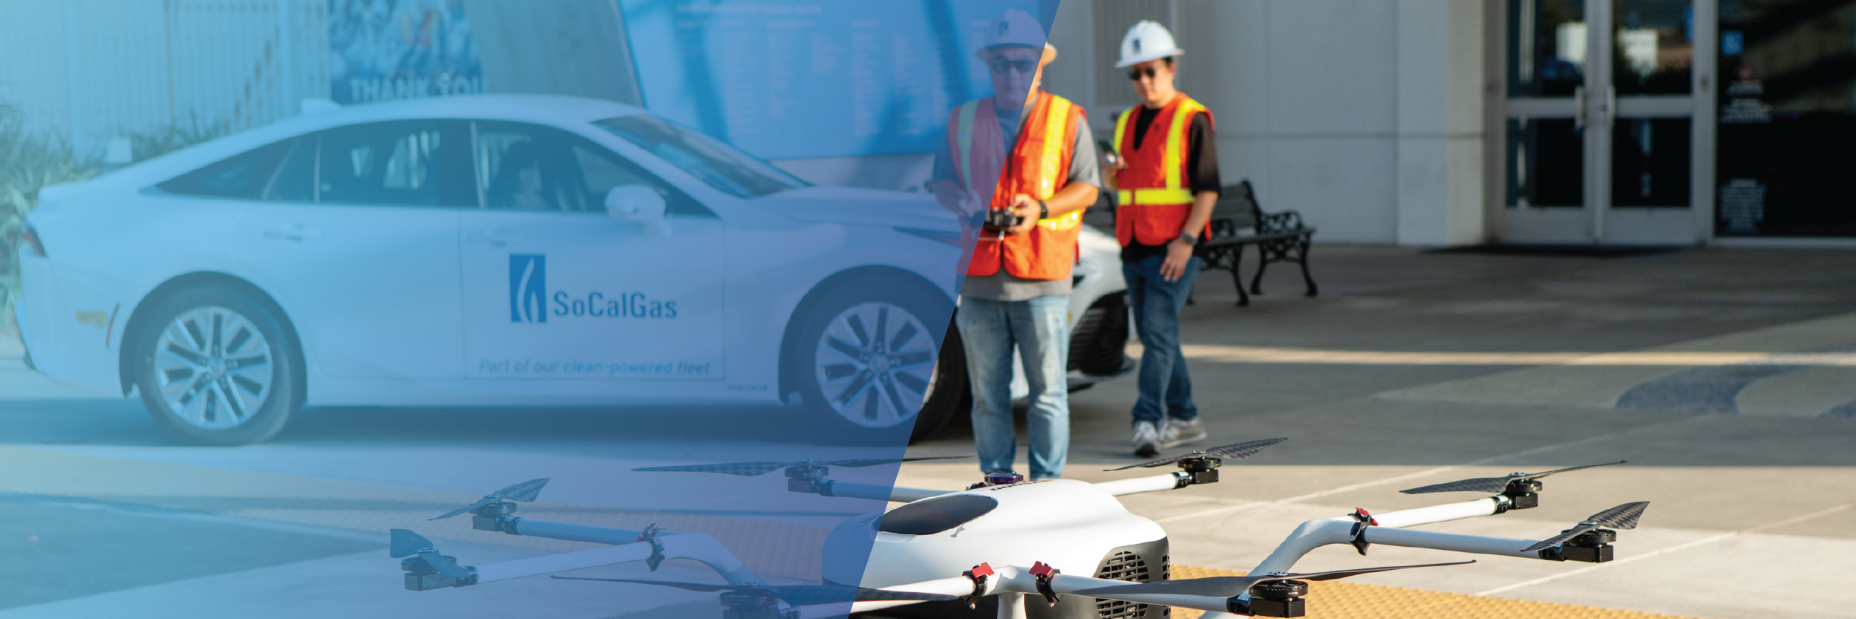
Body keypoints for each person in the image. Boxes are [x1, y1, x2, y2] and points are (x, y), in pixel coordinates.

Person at [929, 9, 1100, 481]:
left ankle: (1047, 488)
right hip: (980, 281)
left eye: (1022, 62)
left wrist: (1040, 208)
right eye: (1000, 63)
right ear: (989, 66)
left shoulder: (1068, 119)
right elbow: (940, 182)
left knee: (1048, 395)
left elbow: (1087, 186)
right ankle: (998, 483)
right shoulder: (963, 119)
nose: (1011, 72)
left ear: (1040, 65)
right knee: (988, 397)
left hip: (1043, 280)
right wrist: (961, 199)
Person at [1105, 21, 1219, 457]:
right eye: (1135, 74)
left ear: (1171, 67)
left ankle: (1148, 419)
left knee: (1156, 330)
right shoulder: (1127, 121)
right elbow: (1125, 187)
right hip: (1134, 245)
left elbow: (1208, 188)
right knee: (1159, 334)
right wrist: (1108, 176)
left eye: (1151, 70)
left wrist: (1186, 241)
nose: (1143, 81)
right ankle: (1186, 416)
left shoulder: (1192, 118)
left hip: (1174, 248)